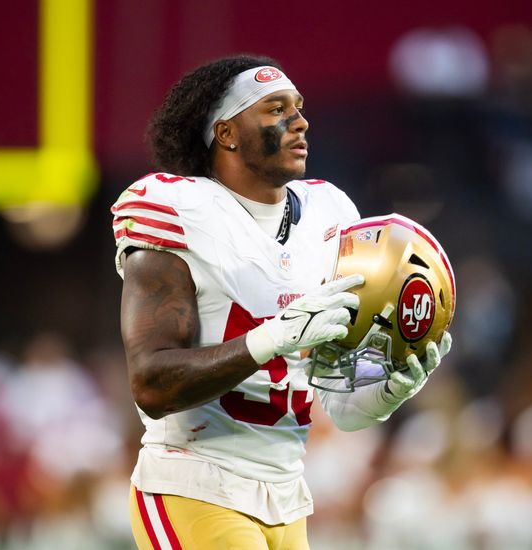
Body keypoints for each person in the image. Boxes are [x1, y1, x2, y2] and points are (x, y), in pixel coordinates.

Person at [112, 54, 451, 549]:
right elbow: (151, 384)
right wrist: (272, 336)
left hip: (287, 494)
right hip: (195, 482)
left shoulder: (329, 212)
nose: (300, 121)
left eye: (298, 107)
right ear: (226, 133)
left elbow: (335, 398)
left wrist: (382, 395)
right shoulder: (178, 210)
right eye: (275, 109)